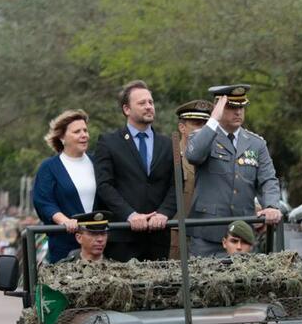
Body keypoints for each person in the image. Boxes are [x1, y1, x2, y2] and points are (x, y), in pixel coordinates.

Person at [184, 85, 282, 256]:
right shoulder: (203, 136)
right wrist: (213, 120)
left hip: (241, 235)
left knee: (242, 282)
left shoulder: (256, 143)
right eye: (231, 107)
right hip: (207, 235)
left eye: (241, 107)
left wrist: (271, 205)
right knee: (205, 282)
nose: (238, 112)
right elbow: (194, 155)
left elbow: (268, 180)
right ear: (219, 108)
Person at [93, 80, 175, 261]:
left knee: (159, 289)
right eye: (142, 103)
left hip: (158, 236)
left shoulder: (167, 144)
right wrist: (130, 215)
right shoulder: (108, 142)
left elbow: (176, 184)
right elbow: (105, 185)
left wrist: (164, 213)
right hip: (123, 236)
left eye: (151, 102)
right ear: (126, 109)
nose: (148, 107)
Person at [32, 109, 96, 263]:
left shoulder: (98, 163)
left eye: (85, 130)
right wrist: (64, 221)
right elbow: (44, 202)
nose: (84, 135)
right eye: (77, 131)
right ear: (62, 137)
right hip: (65, 245)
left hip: (98, 246)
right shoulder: (49, 167)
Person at [170, 100, 212, 258]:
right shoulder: (170, 156)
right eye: (196, 124)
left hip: (208, 236)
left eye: (205, 124)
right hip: (177, 236)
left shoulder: (215, 157)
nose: (202, 129)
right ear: (182, 127)